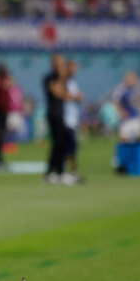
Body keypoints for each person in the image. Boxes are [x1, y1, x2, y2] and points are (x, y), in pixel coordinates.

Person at [43, 53, 72, 183]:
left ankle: (58, 170)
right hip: (53, 113)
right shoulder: (50, 77)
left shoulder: (63, 79)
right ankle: (53, 171)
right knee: (58, 141)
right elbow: (58, 93)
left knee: (62, 142)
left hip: (61, 113)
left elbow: (65, 94)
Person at [63, 60, 84, 180]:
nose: (74, 70)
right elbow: (62, 95)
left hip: (73, 119)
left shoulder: (73, 82)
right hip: (66, 120)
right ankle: (69, 171)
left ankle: (72, 171)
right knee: (69, 146)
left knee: (73, 147)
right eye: (72, 68)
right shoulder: (64, 81)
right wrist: (76, 96)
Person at [114, 70, 140, 142]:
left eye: (132, 79)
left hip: (135, 116)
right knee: (124, 138)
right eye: (128, 79)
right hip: (126, 118)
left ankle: (134, 152)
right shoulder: (121, 89)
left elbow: (139, 100)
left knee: (137, 137)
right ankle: (125, 152)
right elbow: (115, 101)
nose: (130, 81)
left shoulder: (136, 89)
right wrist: (121, 111)